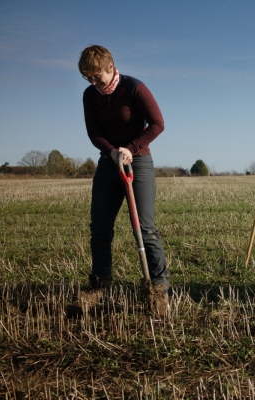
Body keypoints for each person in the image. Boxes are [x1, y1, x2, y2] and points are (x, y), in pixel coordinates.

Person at [78, 45, 171, 291]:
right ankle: (100, 284)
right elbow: (94, 132)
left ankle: (158, 285)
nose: (93, 81)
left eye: (96, 75)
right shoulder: (90, 96)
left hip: (138, 161)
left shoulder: (134, 87)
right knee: (100, 227)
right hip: (109, 163)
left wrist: (131, 147)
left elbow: (157, 124)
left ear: (110, 66)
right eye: (87, 77)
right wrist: (111, 151)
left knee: (144, 226)